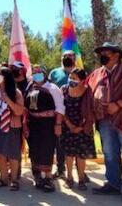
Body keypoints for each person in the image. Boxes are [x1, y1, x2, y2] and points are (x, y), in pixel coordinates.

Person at [83, 43, 122, 195]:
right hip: (104, 120)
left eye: (106, 53)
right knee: (110, 153)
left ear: (116, 55)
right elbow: (86, 91)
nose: (102, 55)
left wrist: (119, 104)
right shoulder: (96, 74)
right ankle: (113, 184)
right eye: (101, 53)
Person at [23, 65, 64, 193]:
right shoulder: (30, 87)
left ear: (44, 74)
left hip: (48, 124)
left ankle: (48, 178)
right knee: (35, 149)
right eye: (34, 72)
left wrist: (58, 124)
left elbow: (60, 108)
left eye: (39, 72)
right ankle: (38, 176)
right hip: (33, 124)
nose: (36, 74)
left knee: (46, 149)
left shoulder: (52, 88)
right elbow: (25, 107)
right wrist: (25, 124)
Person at [0, 67, 25, 191]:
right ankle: (3, 179)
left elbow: (20, 111)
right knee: (1, 154)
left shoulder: (16, 93)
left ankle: (14, 180)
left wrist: (8, 100)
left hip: (12, 126)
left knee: (13, 155)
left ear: (6, 77)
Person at [60, 68, 96, 191]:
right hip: (67, 127)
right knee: (69, 155)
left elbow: (91, 110)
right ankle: (69, 178)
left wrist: (80, 126)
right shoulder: (63, 89)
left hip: (83, 127)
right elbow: (60, 109)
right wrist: (69, 125)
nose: (71, 79)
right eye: (70, 76)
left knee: (81, 156)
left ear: (82, 80)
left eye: (75, 78)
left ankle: (81, 179)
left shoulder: (88, 92)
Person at [48, 51, 77, 180]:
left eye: (70, 56)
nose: (68, 58)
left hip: (75, 112)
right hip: (58, 112)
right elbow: (48, 89)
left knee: (76, 141)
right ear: (61, 59)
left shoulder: (80, 72)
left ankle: (81, 171)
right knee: (59, 142)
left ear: (75, 59)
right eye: (65, 56)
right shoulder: (54, 73)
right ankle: (61, 169)